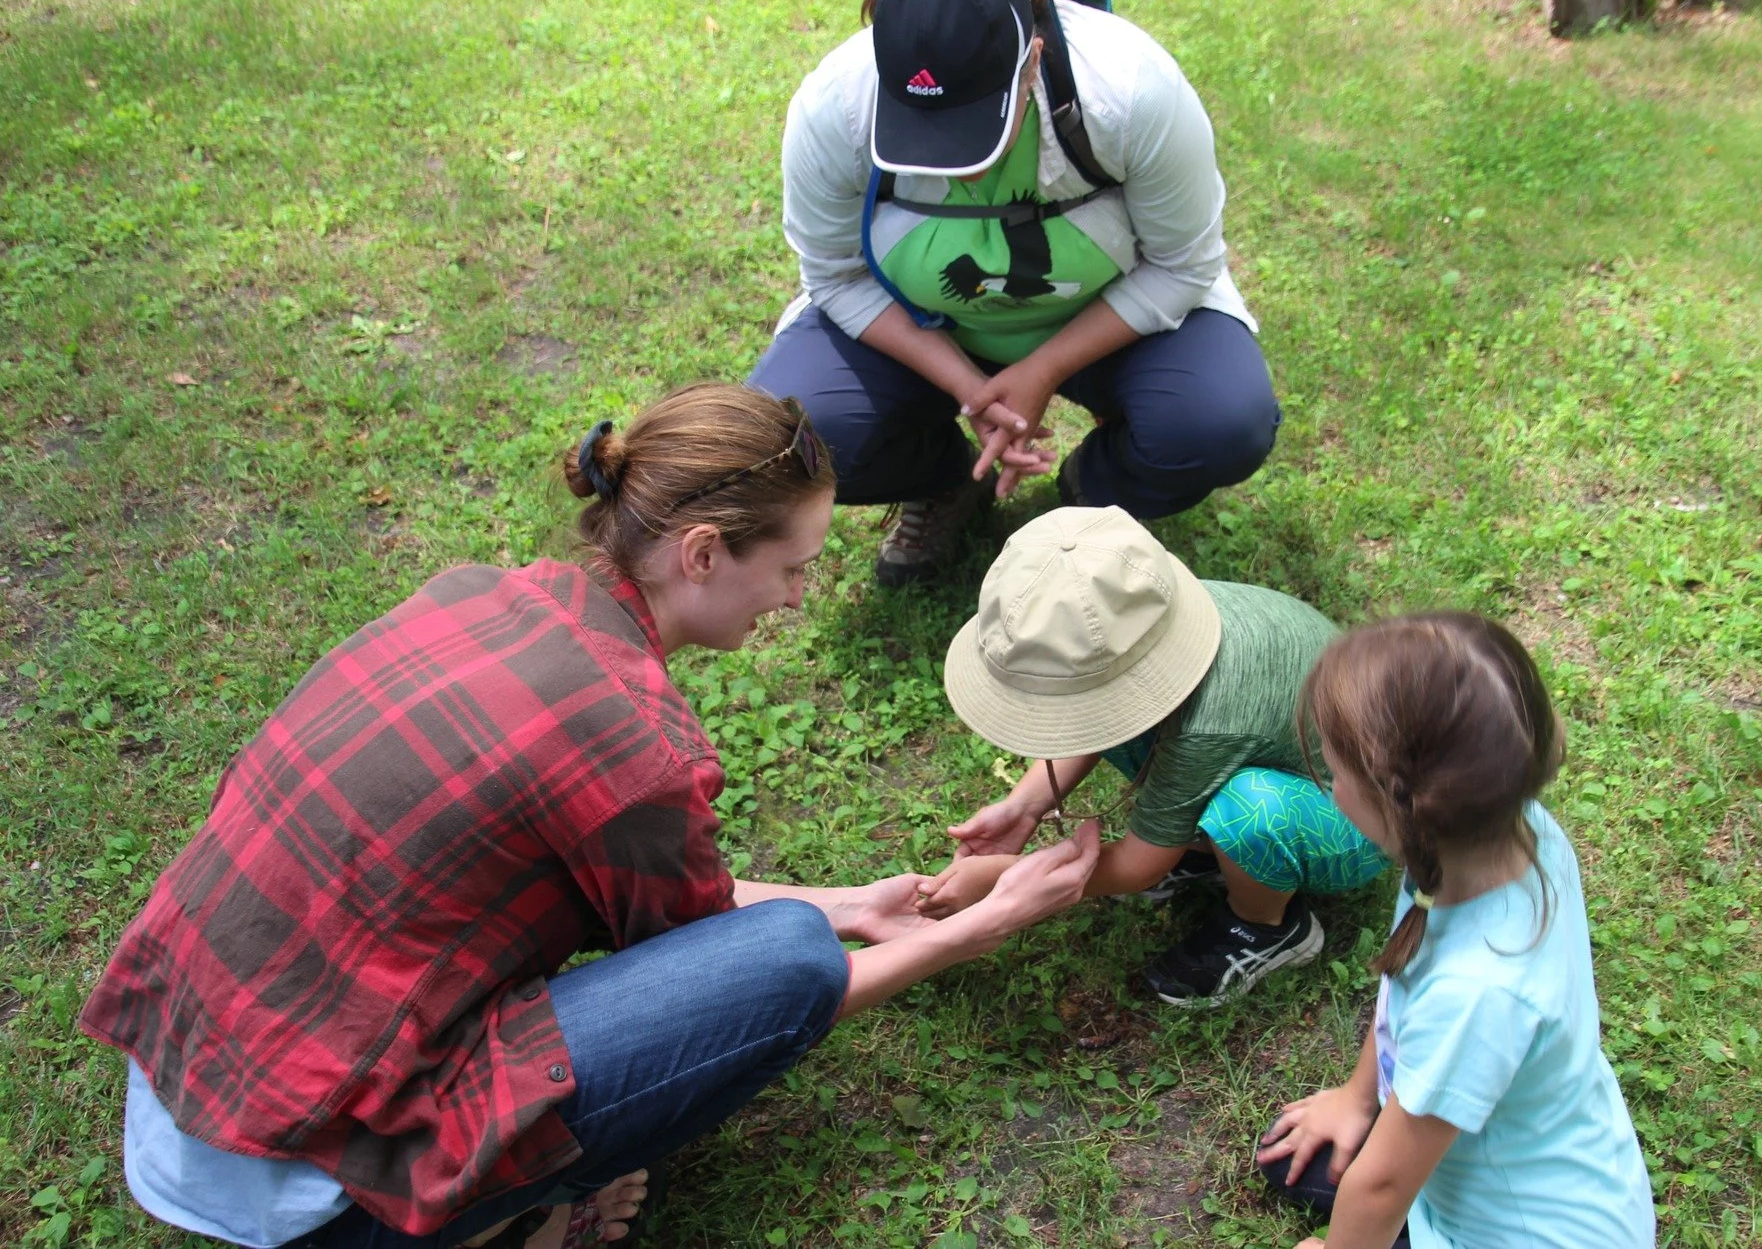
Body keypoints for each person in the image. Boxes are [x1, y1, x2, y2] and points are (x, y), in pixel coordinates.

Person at [79, 383, 1102, 1249]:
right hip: (315, 1184)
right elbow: (733, 972)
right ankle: (511, 1223)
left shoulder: (473, 593)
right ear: (702, 552)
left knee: (798, 930)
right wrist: (970, 931)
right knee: (791, 960)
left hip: (191, 1093)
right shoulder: (631, 741)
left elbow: (675, 906)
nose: (795, 596)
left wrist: (850, 903)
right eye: (793, 566)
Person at [750, 0, 1279, 586]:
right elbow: (836, 277)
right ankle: (944, 480)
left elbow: (1184, 264)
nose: (956, 161)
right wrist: (967, 385)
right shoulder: (835, 105)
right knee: (785, 439)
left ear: (1031, 62)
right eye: (921, 126)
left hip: (1108, 318)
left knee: (1222, 420)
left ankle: (1093, 490)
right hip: (927, 327)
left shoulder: (1131, 89)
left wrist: (1045, 368)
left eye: (976, 124)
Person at [1254, 614, 1655, 1249]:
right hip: (1526, 1175)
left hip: (1535, 1238)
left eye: (1336, 776)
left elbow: (1380, 1189)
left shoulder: (1480, 991)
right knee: (1292, 1162)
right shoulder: (1503, 834)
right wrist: (1358, 1100)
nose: (1331, 793)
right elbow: (1405, 985)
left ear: (1403, 803)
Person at [914, 506, 1389, 1007]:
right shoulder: (1147, 614)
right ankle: (1205, 851)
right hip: (1279, 752)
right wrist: (1025, 805)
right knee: (1119, 721)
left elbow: (1138, 867)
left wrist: (1003, 878)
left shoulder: (1210, 724)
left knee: (1250, 811)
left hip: (1361, 818)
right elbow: (1101, 712)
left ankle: (1267, 925)